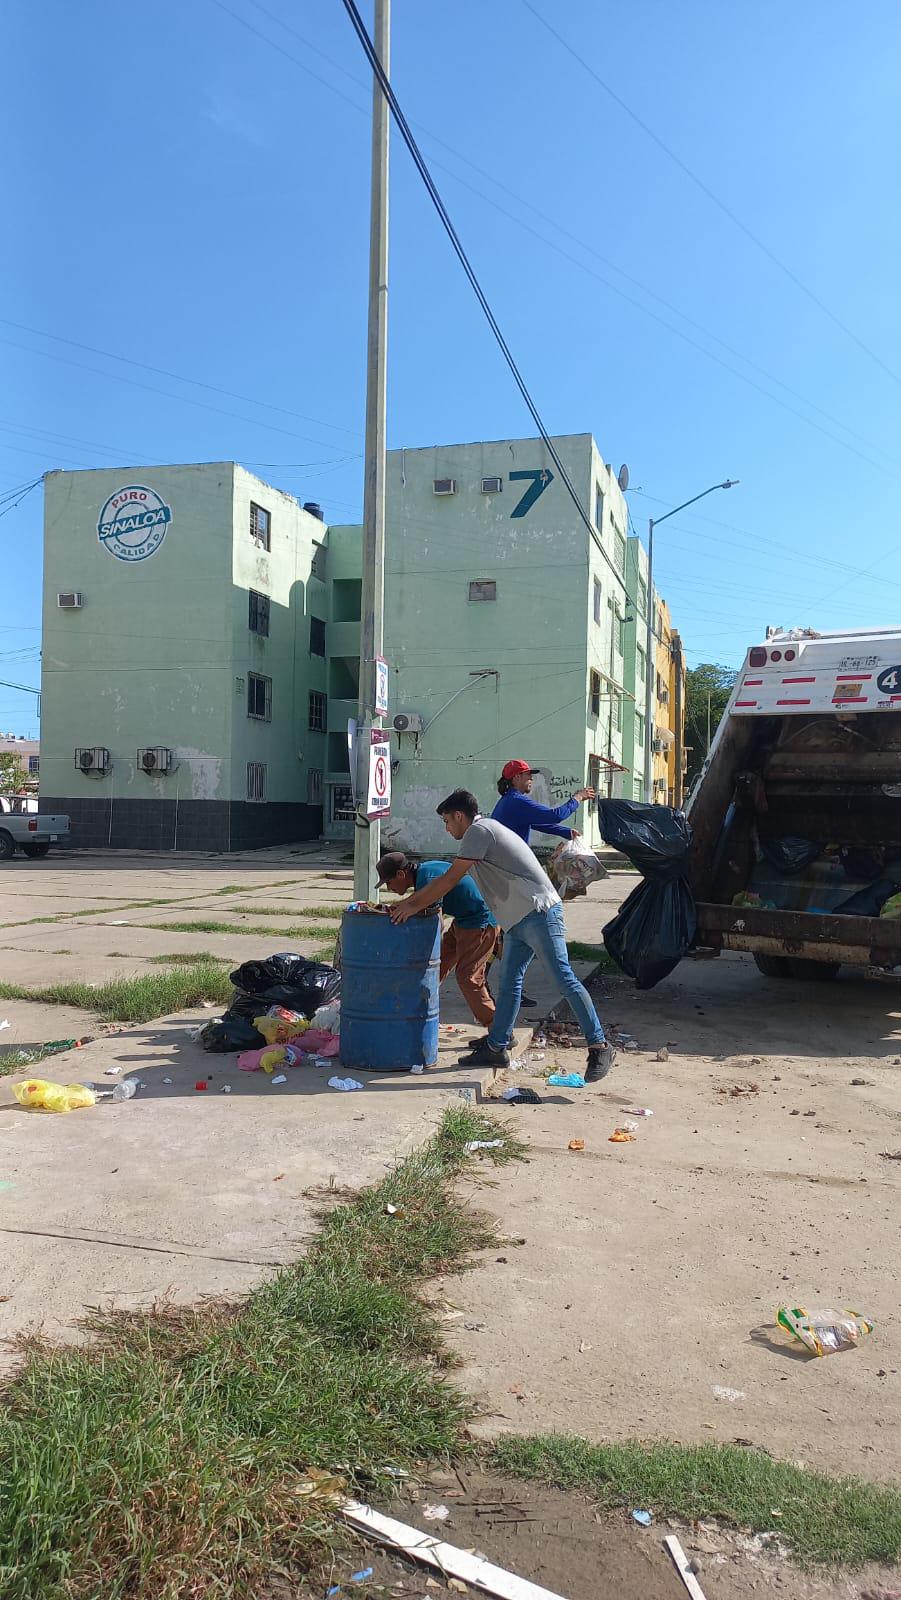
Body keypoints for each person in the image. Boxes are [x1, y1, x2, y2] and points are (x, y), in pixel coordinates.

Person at [388, 790, 615, 1082]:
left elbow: (450, 879)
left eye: (447, 821)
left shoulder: (479, 831)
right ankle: (496, 1046)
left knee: (564, 979)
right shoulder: (484, 831)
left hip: (539, 913)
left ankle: (600, 1046)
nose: (447, 828)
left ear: (459, 816)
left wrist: (409, 905)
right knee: (509, 984)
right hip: (518, 920)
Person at [376, 849, 499, 1028]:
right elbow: (417, 901)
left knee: (467, 977)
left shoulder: (427, 877)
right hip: (463, 921)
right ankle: (417, 1011)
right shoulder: (424, 872)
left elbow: (437, 923)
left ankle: (498, 1032)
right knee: (437, 968)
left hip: (480, 923)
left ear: (401, 874)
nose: (389, 888)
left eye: (389, 882)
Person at [492, 759, 596, 845]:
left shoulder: (509, 799)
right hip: (508, 861)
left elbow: (535, 823)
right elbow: (555, 816)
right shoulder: (516, 800)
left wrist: (566, 832)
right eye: (528, 775)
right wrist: (578, 797)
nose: (531, 778)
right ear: (517, 777)